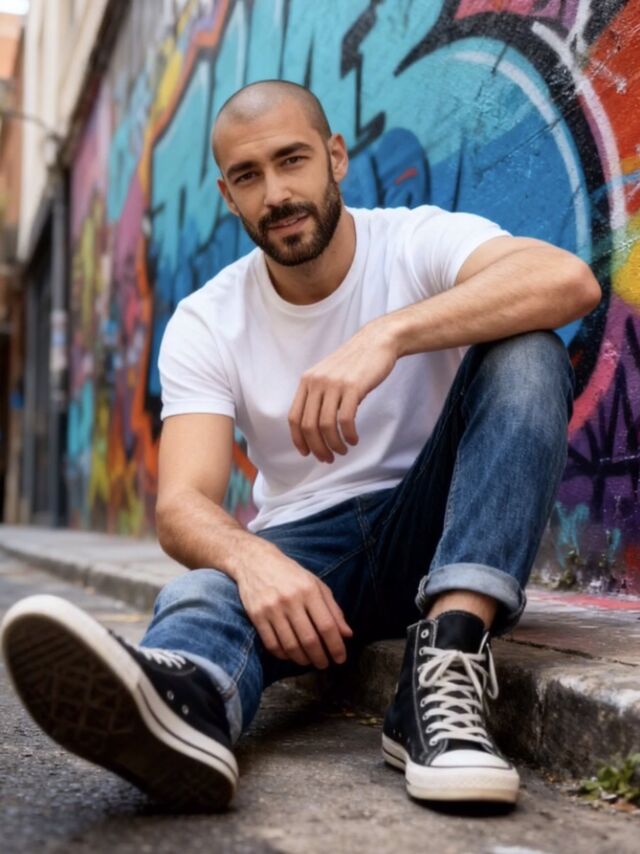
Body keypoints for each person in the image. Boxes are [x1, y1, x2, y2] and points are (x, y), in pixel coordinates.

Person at [1, 80, 600, 813]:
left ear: (335, 157)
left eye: (292, 160)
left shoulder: (413, 241)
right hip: (309, 556)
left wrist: (386, 335)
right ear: (228, 196)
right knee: (207, 591)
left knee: (528, 350)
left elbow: (567, 281)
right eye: (249, 176)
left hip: (439, 527)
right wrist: (254, 561)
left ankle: (444, 665)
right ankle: (188, 704)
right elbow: (182, 505)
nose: (277, 193)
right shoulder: (207, 319)